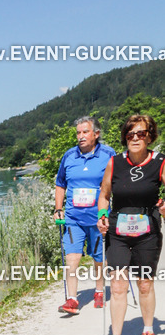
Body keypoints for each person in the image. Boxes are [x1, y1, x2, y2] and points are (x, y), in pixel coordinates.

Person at [97, 113, 165, 335]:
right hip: (118, 231)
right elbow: (104, 195)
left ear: (150, 136)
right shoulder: (114, 162)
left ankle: (148, 332)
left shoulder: (160, 162)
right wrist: (102, 214)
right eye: (130, 134)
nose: (135, 138)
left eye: (141, 134)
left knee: (144, 284)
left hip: (148, 231)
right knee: (117, 285)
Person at [54, 117, 115, 314]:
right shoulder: (69, 156)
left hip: (98, 217)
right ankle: (72, 299)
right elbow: (60, 183)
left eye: (85, 132)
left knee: (99, 258)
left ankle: (99, 290)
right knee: (72, 257)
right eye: (78, 133)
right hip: (73, 217)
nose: (80, 136)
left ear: (96, 134)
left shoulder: (108, 154)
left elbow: (118, 182)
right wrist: (58, 208)